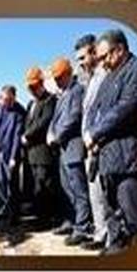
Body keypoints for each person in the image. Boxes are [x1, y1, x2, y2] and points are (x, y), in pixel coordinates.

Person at [82, 30, 137, 254]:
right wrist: (91, 134)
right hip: (107, 160)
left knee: (134, 219)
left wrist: (95, 133)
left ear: (120, 49)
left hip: (129, 161)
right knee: (113, 217)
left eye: (105, 57)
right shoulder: (107, 78)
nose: (102, 63)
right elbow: (95, 110)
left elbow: (127, 106)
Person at [49, 57, 92, 246]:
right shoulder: (63, 94)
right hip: (63, 150)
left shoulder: (77, 91)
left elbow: (74, 117)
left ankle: (82, 227)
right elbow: (55, 119)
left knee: (78, 190)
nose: (57, 81)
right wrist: (50, 132)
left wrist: (56, 136)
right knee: (67, 189)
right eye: (55, 78)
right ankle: (72, 221)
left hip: (73, 148)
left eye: (59, 77)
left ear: (68, 74)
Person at [75, 34, 109, 252]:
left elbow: (104, 112)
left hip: (101, 144)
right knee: (95, 193)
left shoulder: (105, 77)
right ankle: (100, 233)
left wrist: (96, 138)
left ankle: (109, 237)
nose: (80, 63)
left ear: (94, 53)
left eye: (82, 58)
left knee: (104, 194)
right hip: (90, 146)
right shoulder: (90, 79)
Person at [21, 66, 58, 229]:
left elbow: (43, 123)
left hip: (43, 153)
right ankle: (38, 217)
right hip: (31, 153)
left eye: (34, 86)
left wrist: (27, 136)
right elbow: (27, 123)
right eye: (29, 87)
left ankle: (47, 219)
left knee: (45, 186)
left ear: (41, 83)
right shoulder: (31, 103)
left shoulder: (50, 100)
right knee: (36, 187)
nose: (32, 90)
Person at [0, 84, 26, 235]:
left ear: (13, 98)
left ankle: (14, 214)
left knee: (12, 184)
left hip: (10, 154)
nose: (4, 102)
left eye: (7, 99)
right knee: (0, 183)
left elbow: (17, 136)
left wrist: (12, 157)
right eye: (2, 99)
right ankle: (3, 210)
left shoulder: (19, 112)